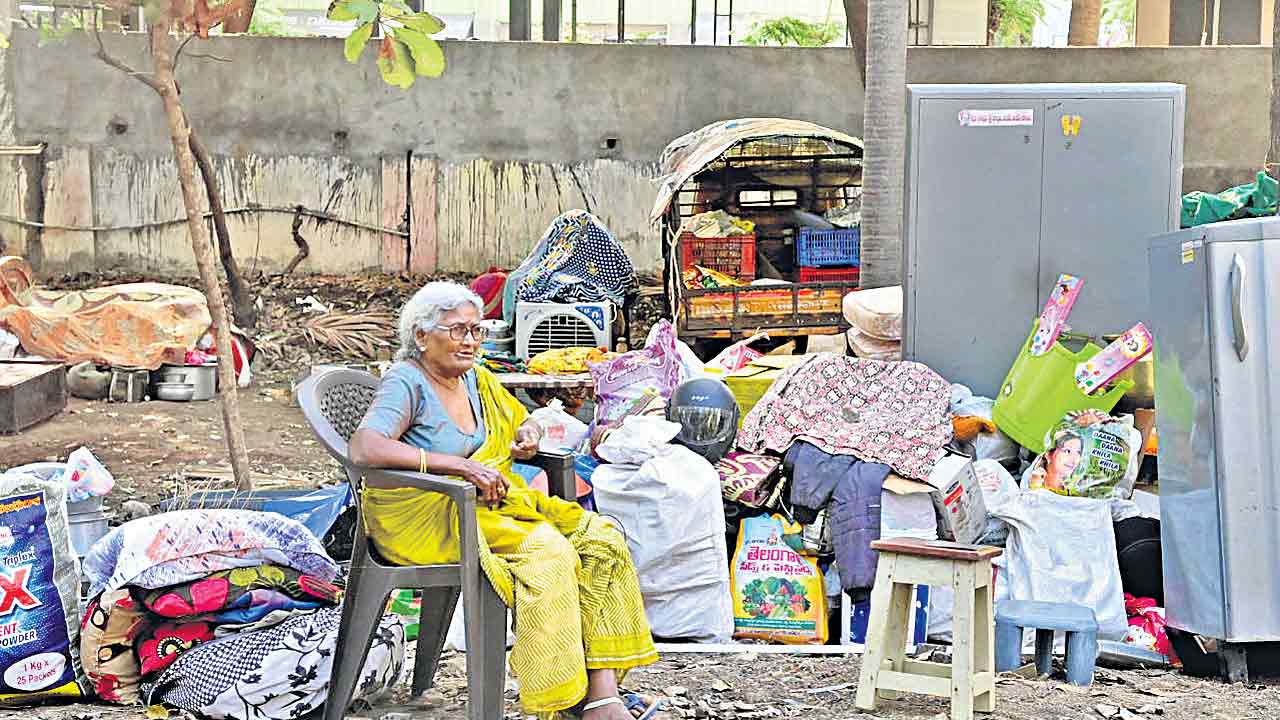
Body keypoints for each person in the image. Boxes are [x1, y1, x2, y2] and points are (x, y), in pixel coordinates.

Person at [349, 282, 660, 720]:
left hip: (483, 510)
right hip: (429, 520)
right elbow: (365, 448)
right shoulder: (407, 381)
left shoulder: (475, 377)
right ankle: (563, 697)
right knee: (549, 554)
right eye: (457, 330)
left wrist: (529, 434)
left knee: (601, 538)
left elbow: (519, 419)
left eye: (475, 330)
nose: (470, 341)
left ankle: (602, 697)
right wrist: (459, 468)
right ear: (421, 336)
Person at [1029, 430, 1084, 494]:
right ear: (1048, 454)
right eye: (1067, 451)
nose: (1074, 459)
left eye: (1078, 452)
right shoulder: (1034, 484)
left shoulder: (1073, 492)